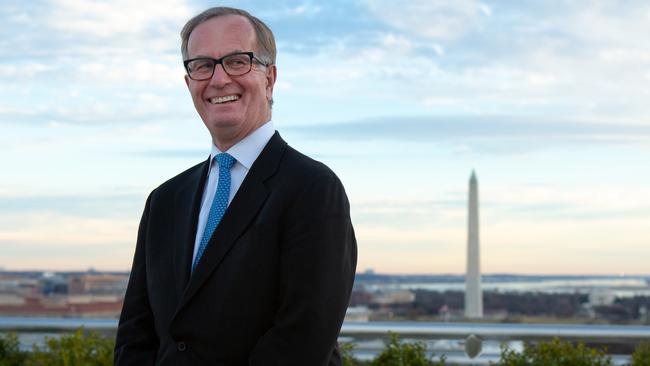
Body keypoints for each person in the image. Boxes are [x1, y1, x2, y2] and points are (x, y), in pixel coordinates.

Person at [114, 6, 357, 366]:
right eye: (202, 65)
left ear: (269, 78)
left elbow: (302, 339)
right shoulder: (164, 200)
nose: (218, 79)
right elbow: (136, 333)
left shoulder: (314, 189)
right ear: (189, 83)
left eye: (236, 61)